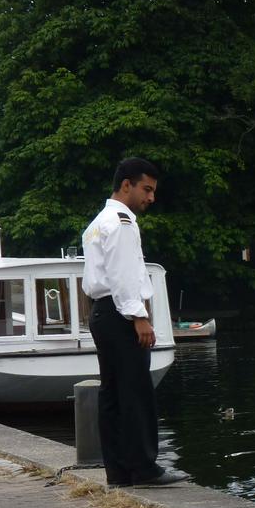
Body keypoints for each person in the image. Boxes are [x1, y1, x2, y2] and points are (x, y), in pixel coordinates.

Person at [82, 158, 187, 487]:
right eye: (147, 189)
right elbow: (124, 275)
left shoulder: (98, 222)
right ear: (126, 184)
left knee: (112, 393)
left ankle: (118, 471)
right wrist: (139, 317)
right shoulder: (123, 222)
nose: (151, 198)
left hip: (102, 312)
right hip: (120, 313)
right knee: (137, 391)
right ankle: (144, 468)